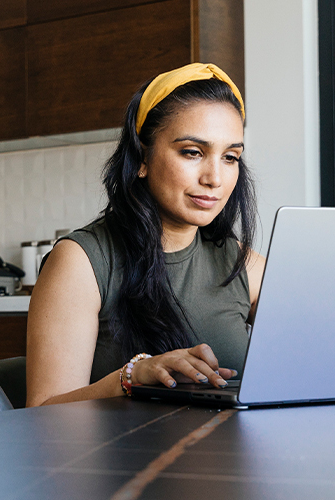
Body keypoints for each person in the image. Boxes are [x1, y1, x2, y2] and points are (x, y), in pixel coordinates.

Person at [26, 63, 265, 407]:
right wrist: (132, 376)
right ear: (142, 157)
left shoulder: (243, 264)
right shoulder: (81, 262)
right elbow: (42, 411)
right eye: (192, 152)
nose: (214, 178)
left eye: (230, 157)